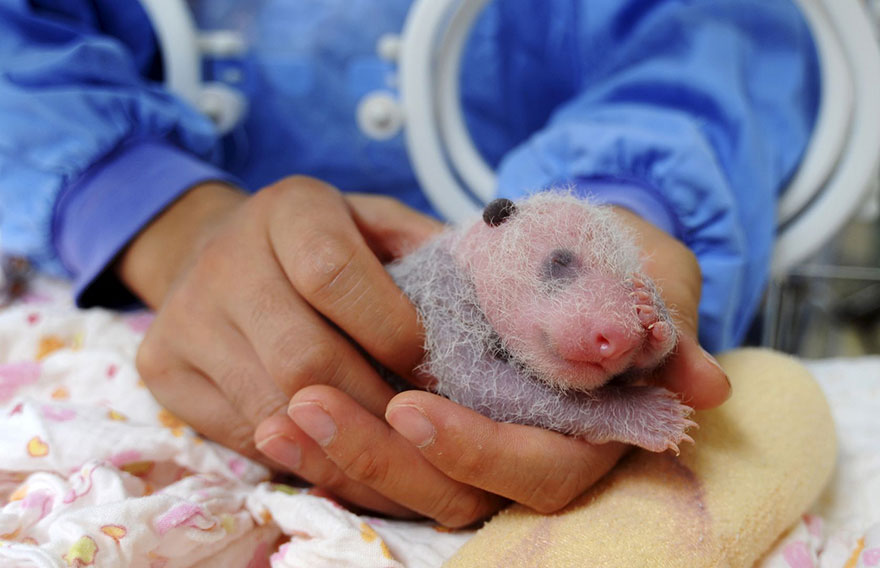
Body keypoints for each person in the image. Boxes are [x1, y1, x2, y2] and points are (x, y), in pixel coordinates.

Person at [0, 0, 819, 526]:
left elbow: (708, 34)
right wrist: (154, 213)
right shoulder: (498, 273)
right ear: (489, 235)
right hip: (150, 303)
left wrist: (638, 207)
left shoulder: (561, 258)